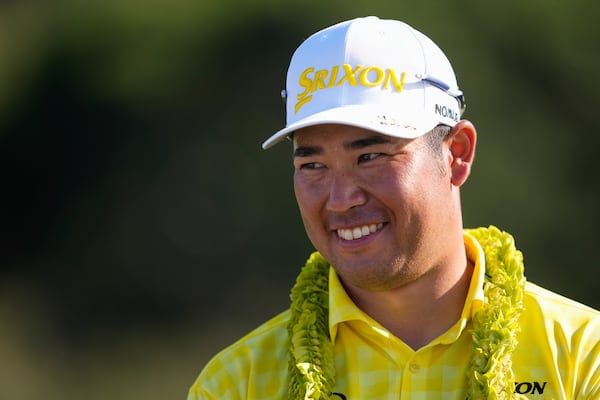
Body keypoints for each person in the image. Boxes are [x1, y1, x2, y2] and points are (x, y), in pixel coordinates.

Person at [187, 16, 600, 399]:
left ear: (456, 154)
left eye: (372, 157)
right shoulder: (236, 384)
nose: (342, 198)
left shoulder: (583, 356)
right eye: (313, 165)